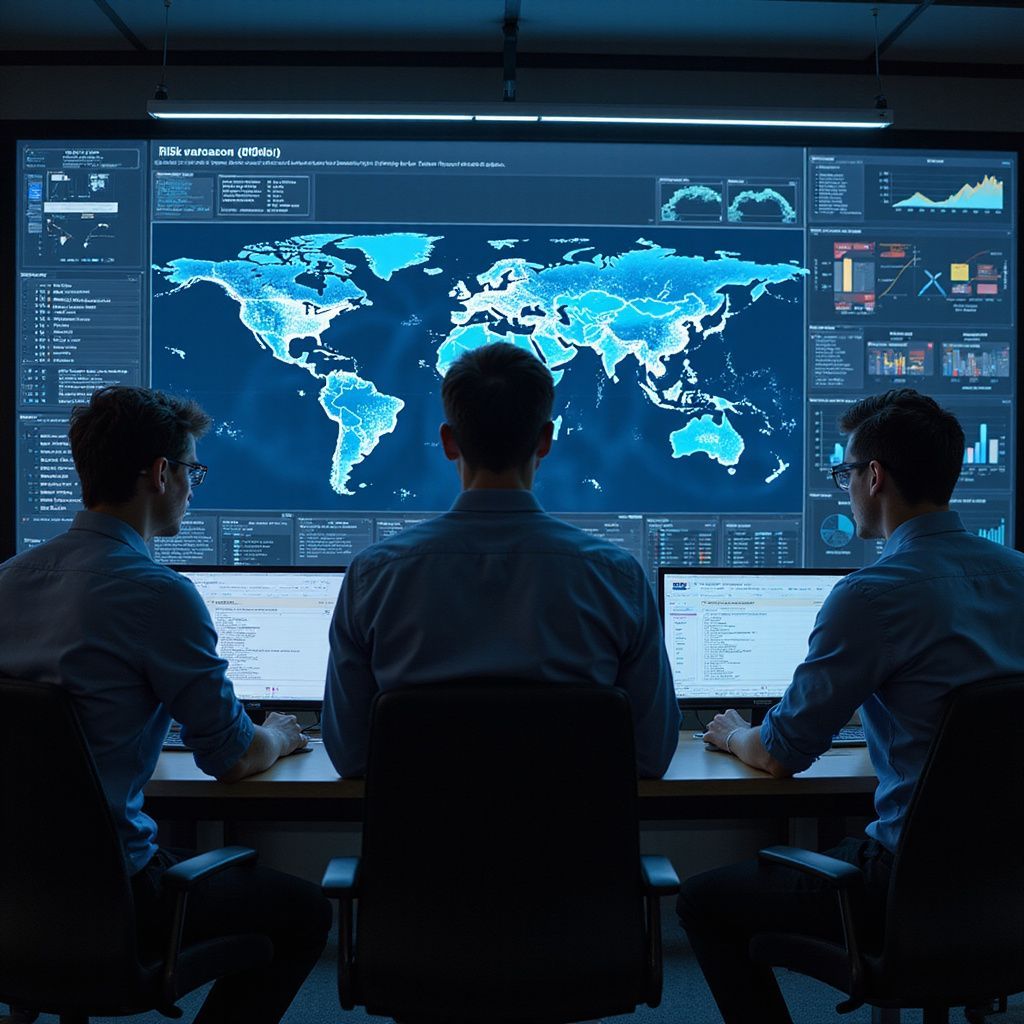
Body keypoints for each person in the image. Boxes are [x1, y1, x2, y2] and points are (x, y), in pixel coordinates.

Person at [676, 388, 1024, 1024]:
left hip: (900, 886)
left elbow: (781, 754)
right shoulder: (1018, 573)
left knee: (703, 902)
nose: (843, 488)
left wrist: (730, 736)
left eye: (843, 473)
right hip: (1010, 882)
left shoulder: (872, 596)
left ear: (874, 476)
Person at [0, 386, 331, 1024]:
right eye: (192, 471)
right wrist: (283, 736)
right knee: (306, 913)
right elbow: (232, 757)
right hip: (119, 896)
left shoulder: (10, 580)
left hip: (15, 895)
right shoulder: (157, 594)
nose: (191, 487)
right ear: (160, 473)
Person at [322, 341, 681, 778]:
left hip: (423, 846)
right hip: (573, 847)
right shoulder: (617, 578)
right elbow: (652, 755)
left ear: (449, 442)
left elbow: (350, 755)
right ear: (546, 441)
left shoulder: (373, 578)